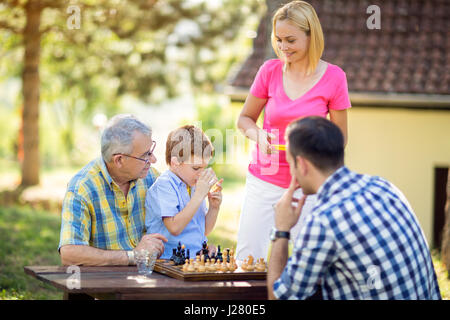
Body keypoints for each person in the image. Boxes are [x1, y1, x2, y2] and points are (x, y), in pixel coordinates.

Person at [268, 116, 441, 300]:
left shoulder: (323, 221)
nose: (291, 172)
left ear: (302, 164)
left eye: (290, 163)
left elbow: (278, 297)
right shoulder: (384, 186)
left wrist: (281, 231)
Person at [236, 0, 351, 261]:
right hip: (264, 178)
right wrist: (257, 135)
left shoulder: (335, 77)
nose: (283, 47)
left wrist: (311, 151)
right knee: (247, 259)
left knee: (304, 262)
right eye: (278, 40)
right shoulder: (269, 71)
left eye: (291, 39)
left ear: (311, 36)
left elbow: (340, 139)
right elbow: (244, 119)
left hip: (307, 184)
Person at [58, 114, 167, 266]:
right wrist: (133, 256)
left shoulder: (152, 179)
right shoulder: (83, 188)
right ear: (119, 160)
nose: (153, 160)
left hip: (151, 281)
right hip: (104, 285)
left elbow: (180, 221)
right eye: (146, 155)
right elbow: (70, 254)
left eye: (151, 151)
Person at [145, 125, 223, 259]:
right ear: (175, 162)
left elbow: (203, 230)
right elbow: (174, 228)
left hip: (194, 258)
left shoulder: (192, 184)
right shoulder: (165, 185)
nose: (201, 174)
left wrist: (214, 208)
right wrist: (199, 196)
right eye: (196, 168)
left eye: (204, 168)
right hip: (170, 261)